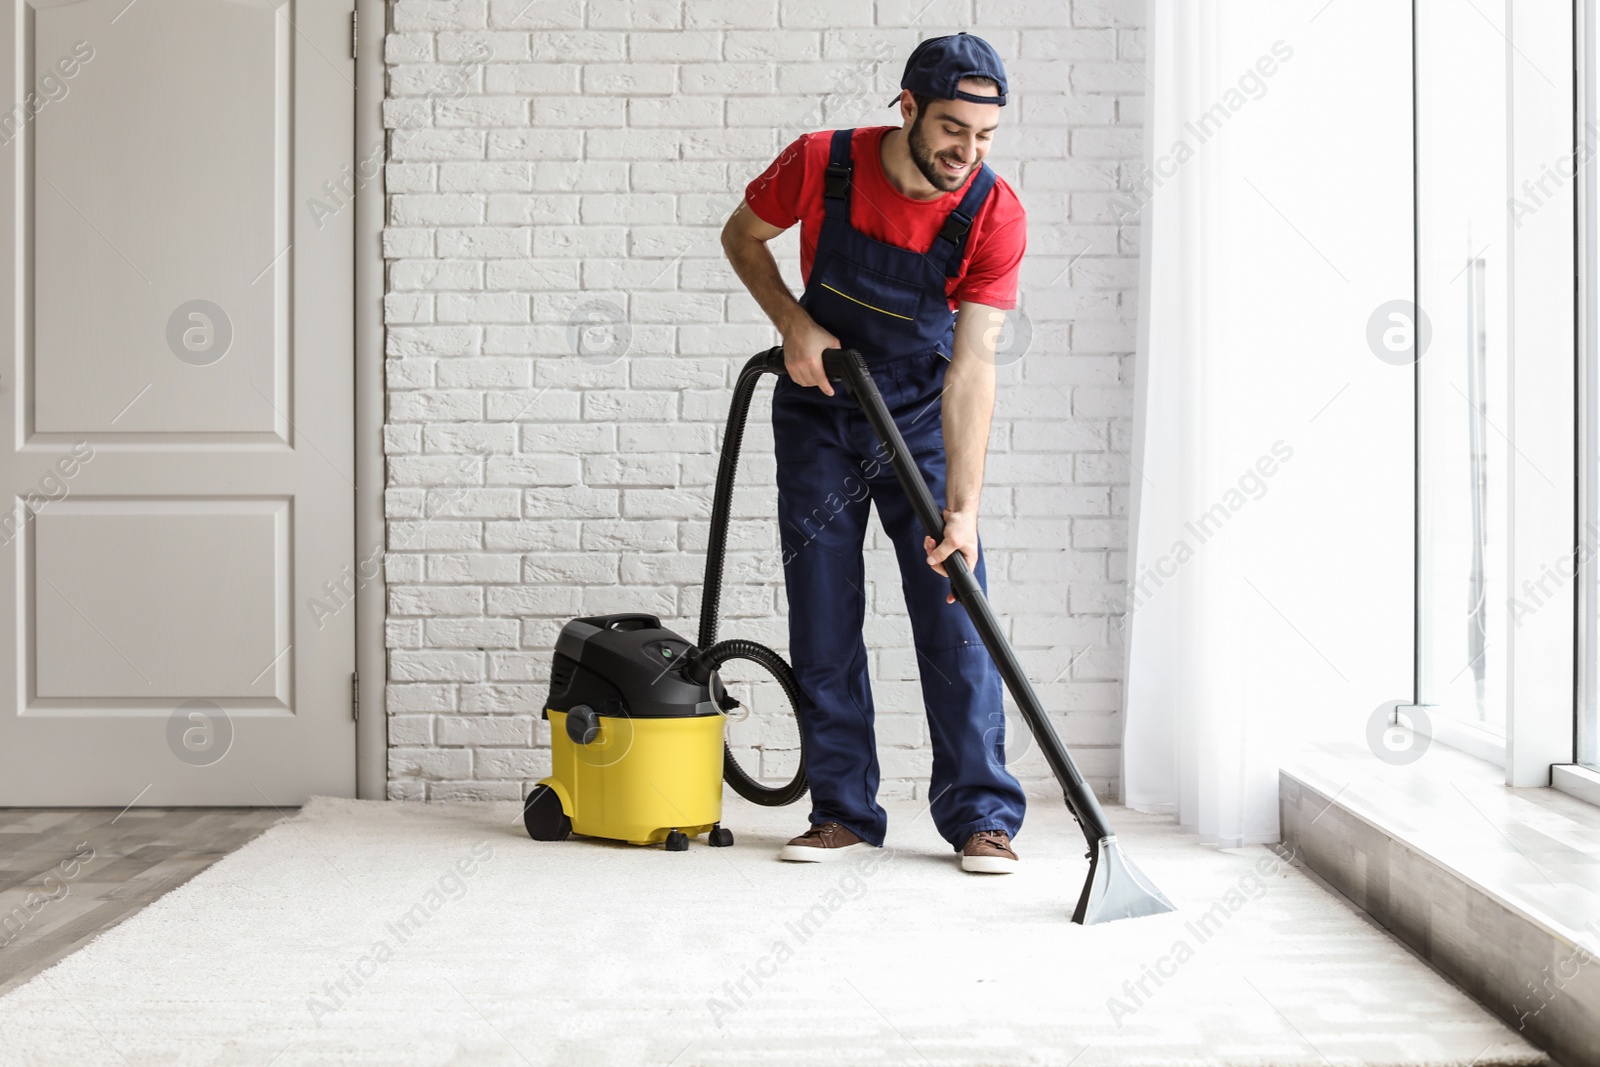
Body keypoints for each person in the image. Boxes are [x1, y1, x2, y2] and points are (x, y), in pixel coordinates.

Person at [719, 33, 1030, 874]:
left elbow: (972, 367)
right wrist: (794, 324)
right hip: (820, 410)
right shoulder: (822, 163)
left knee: (954, 608)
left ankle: (981, 816)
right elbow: (742, 237)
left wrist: (961, 509)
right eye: (951, 131)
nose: (967, 154)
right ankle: (843, 811)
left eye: (985, 138)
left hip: (921, 418)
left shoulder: (993, 213)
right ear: (907, 110)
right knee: (823, 609)